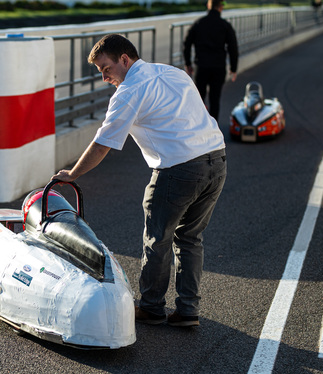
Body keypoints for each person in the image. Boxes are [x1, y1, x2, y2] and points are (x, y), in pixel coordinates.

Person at [52, 34, 227, 327]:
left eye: (106, 69)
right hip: (217, 160)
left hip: (179, 168)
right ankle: (187, 311)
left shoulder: (130, 90)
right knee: (190, 238)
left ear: (124, 59)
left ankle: (151, 307)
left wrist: (73, 174)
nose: (105, 78)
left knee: (157, 239)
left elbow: (102, 143)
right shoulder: (173, 73)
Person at [183, 0, 238, 122]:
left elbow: (186, 44)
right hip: (218, 67)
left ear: (209, 6)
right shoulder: (225, 25)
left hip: (201, 66)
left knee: (199, 100)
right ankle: (213, 130)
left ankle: (198, 127)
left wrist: (188, 63)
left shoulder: (199, 23)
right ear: (221, 7)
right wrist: (233, 69)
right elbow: (233, 48)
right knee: (215, 99)